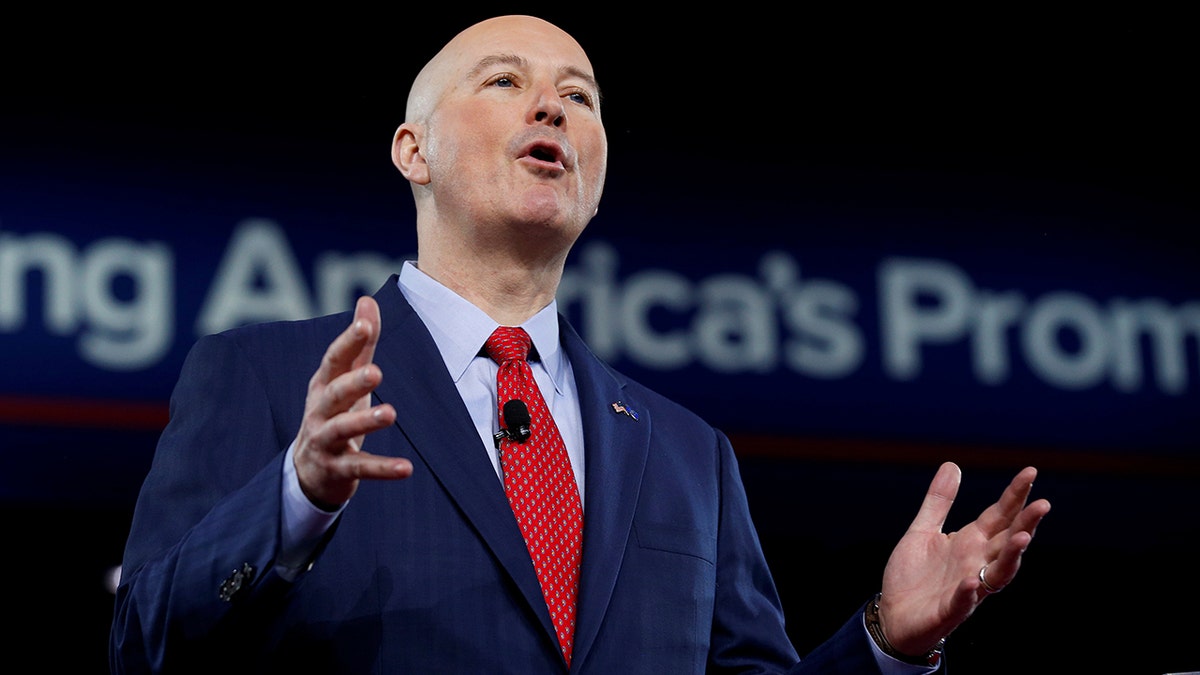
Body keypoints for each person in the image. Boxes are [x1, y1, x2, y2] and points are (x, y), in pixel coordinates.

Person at [109, 14, 1051, 674]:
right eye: (506, 82)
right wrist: (294, 499)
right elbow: (143, 643)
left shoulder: (691, 456)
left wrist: (888, 641)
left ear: (597, 178)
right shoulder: (263, 376)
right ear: (413, 150)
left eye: (580, 96)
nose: (552, 108)